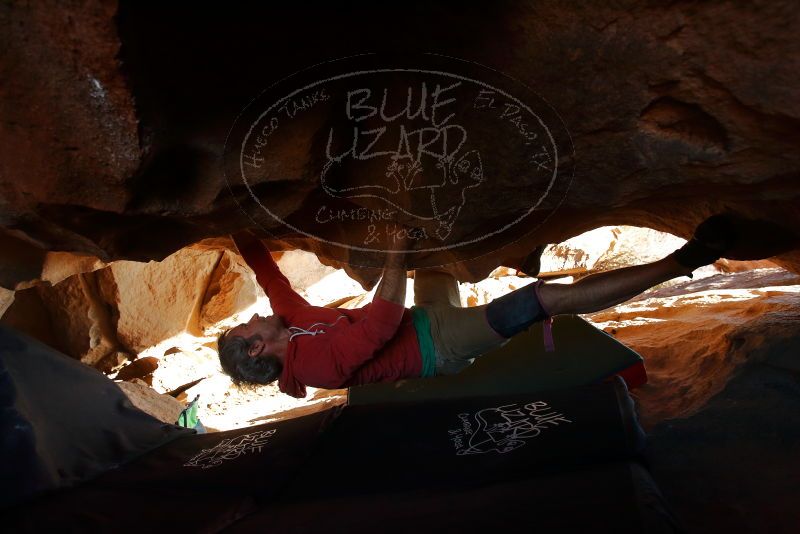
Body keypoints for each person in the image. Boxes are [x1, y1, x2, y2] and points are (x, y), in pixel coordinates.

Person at [217, 216, 736, 398]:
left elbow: (271, 278)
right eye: (247, 324)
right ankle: (683, 261)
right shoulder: (317, 366)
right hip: (437, 345)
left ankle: (518, 251)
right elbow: (380, 324)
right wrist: (397, 249)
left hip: (420, 319)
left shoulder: (291, 325)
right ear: (258, 346)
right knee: (543, 301)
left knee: (443, 261)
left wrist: (235, 229)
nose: (255, 315)